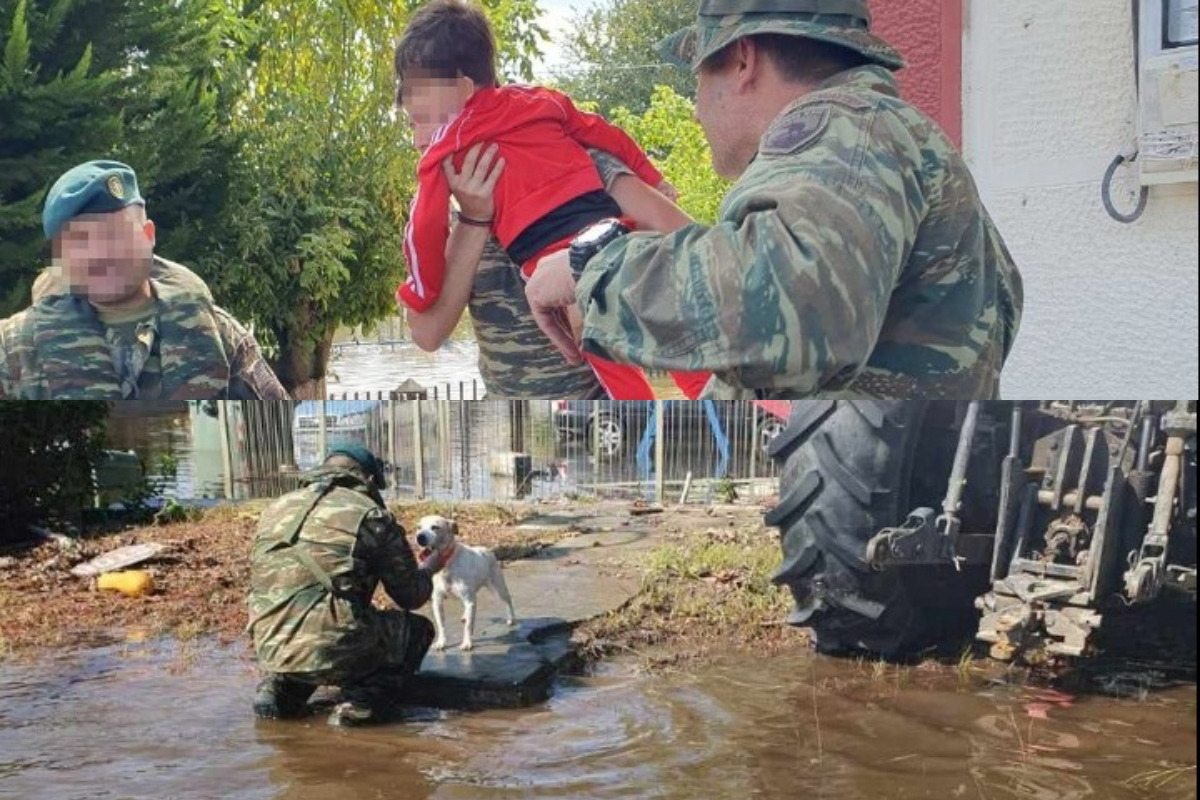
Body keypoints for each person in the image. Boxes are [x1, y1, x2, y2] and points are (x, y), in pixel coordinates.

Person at [524, 0, 1024, 400]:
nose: (697, 111)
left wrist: (593, 271)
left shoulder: (847, 131)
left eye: (696, 77)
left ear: (742, 60)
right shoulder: (898, 144)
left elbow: (789, 306)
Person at [395, 0, 709, 400]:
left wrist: (593, 263)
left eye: (424, 121)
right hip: (509, 414)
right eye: (412, 123)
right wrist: (475, 220)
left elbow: (690, 244)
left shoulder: (574, 159)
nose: (419, 140)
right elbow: (427, 334)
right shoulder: (439, 208)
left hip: (596, 409)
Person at [0, 160, 289, 400]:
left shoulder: (221, 335)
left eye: (115, 235)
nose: (99, 254)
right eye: (79, 243)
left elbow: (276, 428)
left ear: (148, 236)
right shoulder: (13, 347)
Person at [247, 443, 447, 727]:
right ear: (367, 480)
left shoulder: (275, 509)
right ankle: (361, 704)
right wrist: (428, 570)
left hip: (268, 639)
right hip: (332, 641)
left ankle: (279, 692)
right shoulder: (372, 516)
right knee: (416, 631)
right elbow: (411, 595)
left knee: (310, 632)